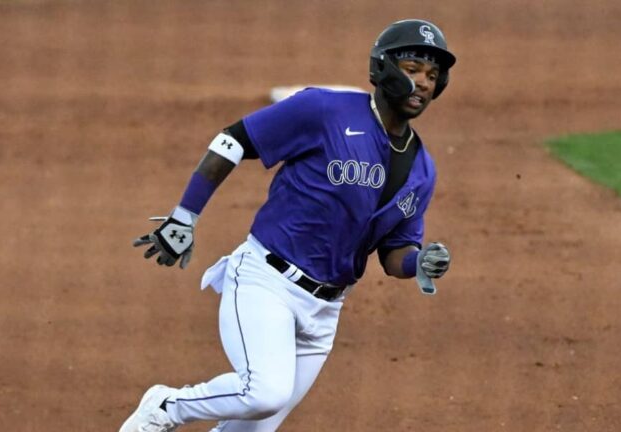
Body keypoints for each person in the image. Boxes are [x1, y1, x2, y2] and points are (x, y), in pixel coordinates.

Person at [119, 18, 456, 432]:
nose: (422, 83)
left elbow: (393, 253)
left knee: (254, 427)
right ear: (383, 69)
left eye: (432, 75)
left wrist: (419, 263)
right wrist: (185, 217)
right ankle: (166, 406)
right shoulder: (324, 111)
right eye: (412, 70)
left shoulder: (422, 170)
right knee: (264, 393)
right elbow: (233, 140)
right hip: (267, 280)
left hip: (325, 311)